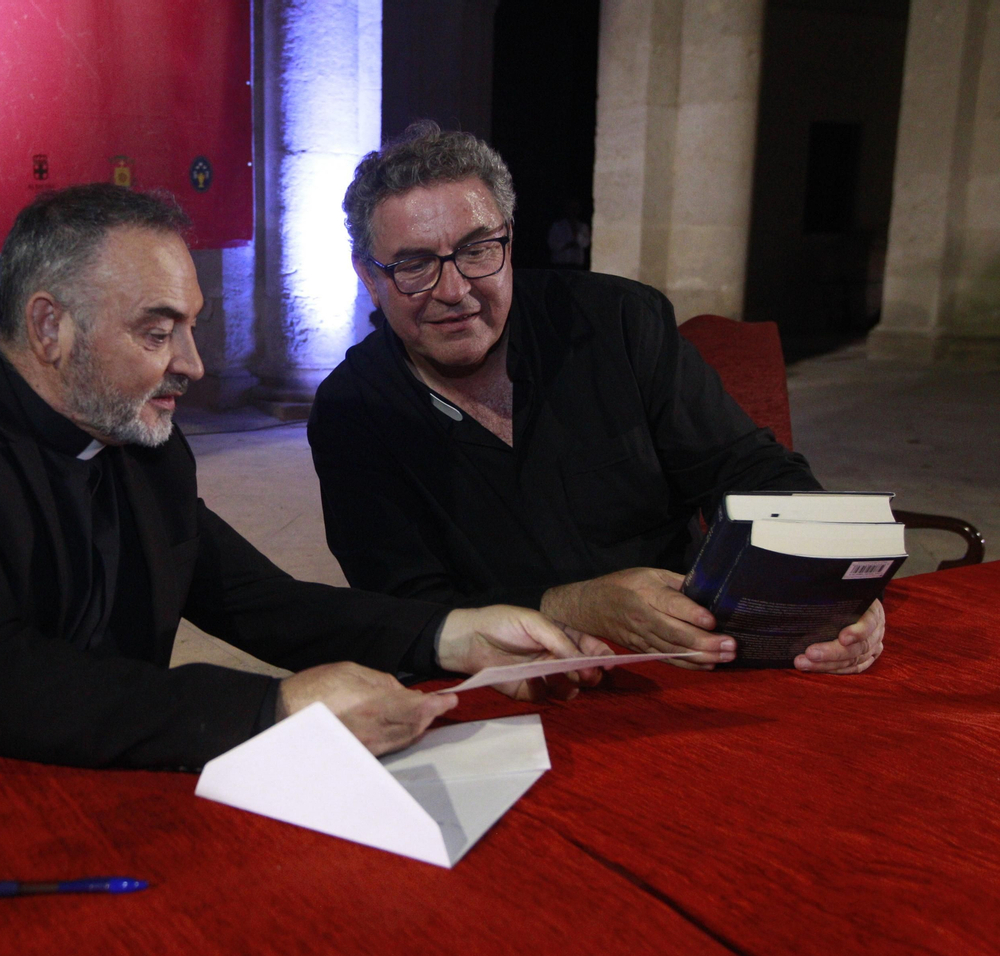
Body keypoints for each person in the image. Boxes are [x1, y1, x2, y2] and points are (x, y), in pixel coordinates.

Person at [0, 184, 610, 779]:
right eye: (159, 332)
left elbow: (266, 604)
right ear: (51, 327)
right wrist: (273, 709)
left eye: (190, 327)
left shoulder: (145, 452)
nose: (192, 365)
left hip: (72, 793)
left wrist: (454, 636)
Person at [307, 122, 885, 674]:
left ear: (509, 240)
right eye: (414, 265)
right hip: (503, 685)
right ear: (369, 279)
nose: (454, 291)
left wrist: (827, 578)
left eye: (478, 249)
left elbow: (750, 467)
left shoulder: (619, 322)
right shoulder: (352, 412)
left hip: (689, 655)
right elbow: (403, 608)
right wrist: (573, 606)